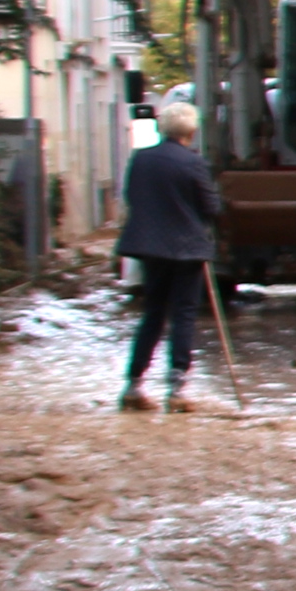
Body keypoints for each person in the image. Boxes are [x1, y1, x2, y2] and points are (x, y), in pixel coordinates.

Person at [116, 100, 222, 412]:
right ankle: (177, 390)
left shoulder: (141, 159)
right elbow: (211, 208)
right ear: (192, 130)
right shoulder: (194, 163)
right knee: (184, 315)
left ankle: (134, 384)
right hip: (187, 249)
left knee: (153, 313)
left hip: (151, 248)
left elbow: (131, 197)